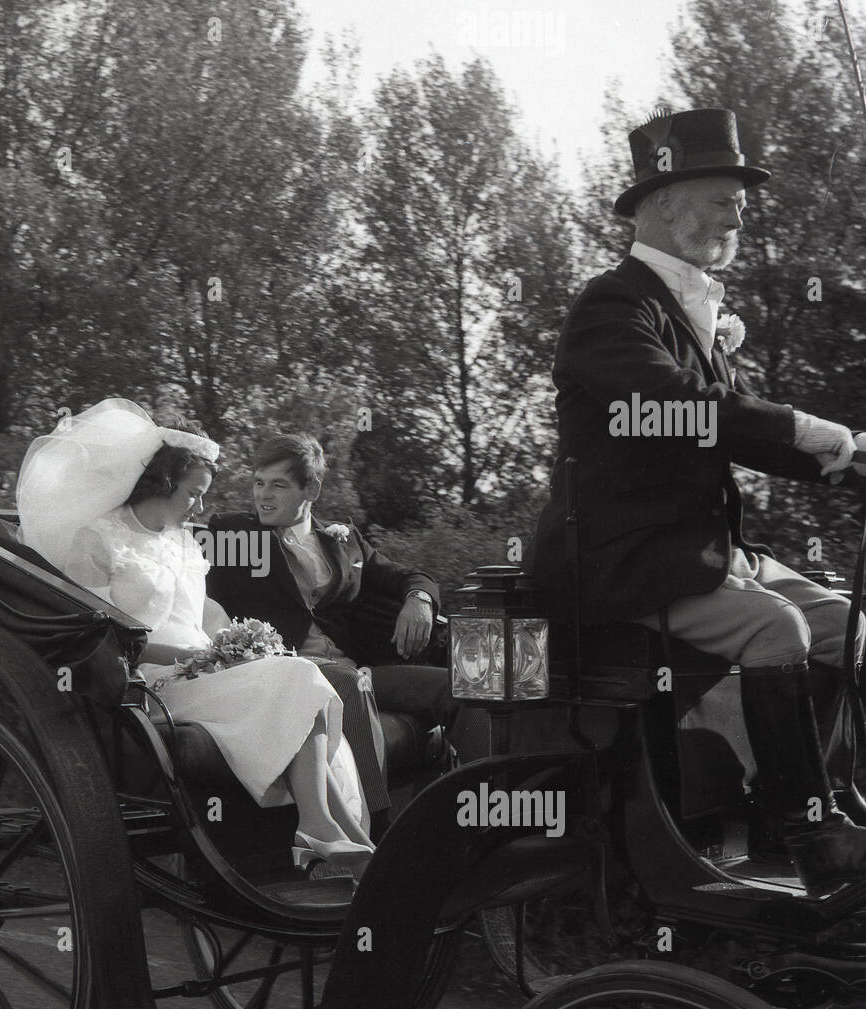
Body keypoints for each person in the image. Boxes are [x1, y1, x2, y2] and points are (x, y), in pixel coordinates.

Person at [527, 106, 866, 895]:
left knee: (843, 628)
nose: (739, 213)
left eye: (740, 200)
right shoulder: (610, 308)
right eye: (723, 198)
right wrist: (821, 428)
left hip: (700, 552)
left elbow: (745, 435)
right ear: (662, 203)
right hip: (619, 561)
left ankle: (820, 800)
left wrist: (847, 465)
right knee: (776, 629)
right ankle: (807, 832)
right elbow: (684, 408)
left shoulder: (697, 313)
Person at [16, 399, 373, 880]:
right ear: (162, 485)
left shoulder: (180, 538)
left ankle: (336, 830)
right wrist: (198, 656)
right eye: (193, 494)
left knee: (294, 675)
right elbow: (102, 642)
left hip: (204, 668)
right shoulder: (96, 541)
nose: (201, 508)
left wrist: (241, 644)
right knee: (297, 678)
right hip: (148, 682)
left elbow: (205, 611)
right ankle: (327, 829)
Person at [206, 433, 457, 818]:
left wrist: (420, 600)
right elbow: (185, 575)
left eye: (278, 485)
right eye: (258, 482)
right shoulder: (235, 535)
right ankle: (377, 832)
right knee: (350, 684)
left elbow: (409, 576)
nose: (263, 495)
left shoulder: (343, 541)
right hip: (292, 676)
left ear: (313, 489)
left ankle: (472, 813)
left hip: (361, 668)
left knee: (461, 687)